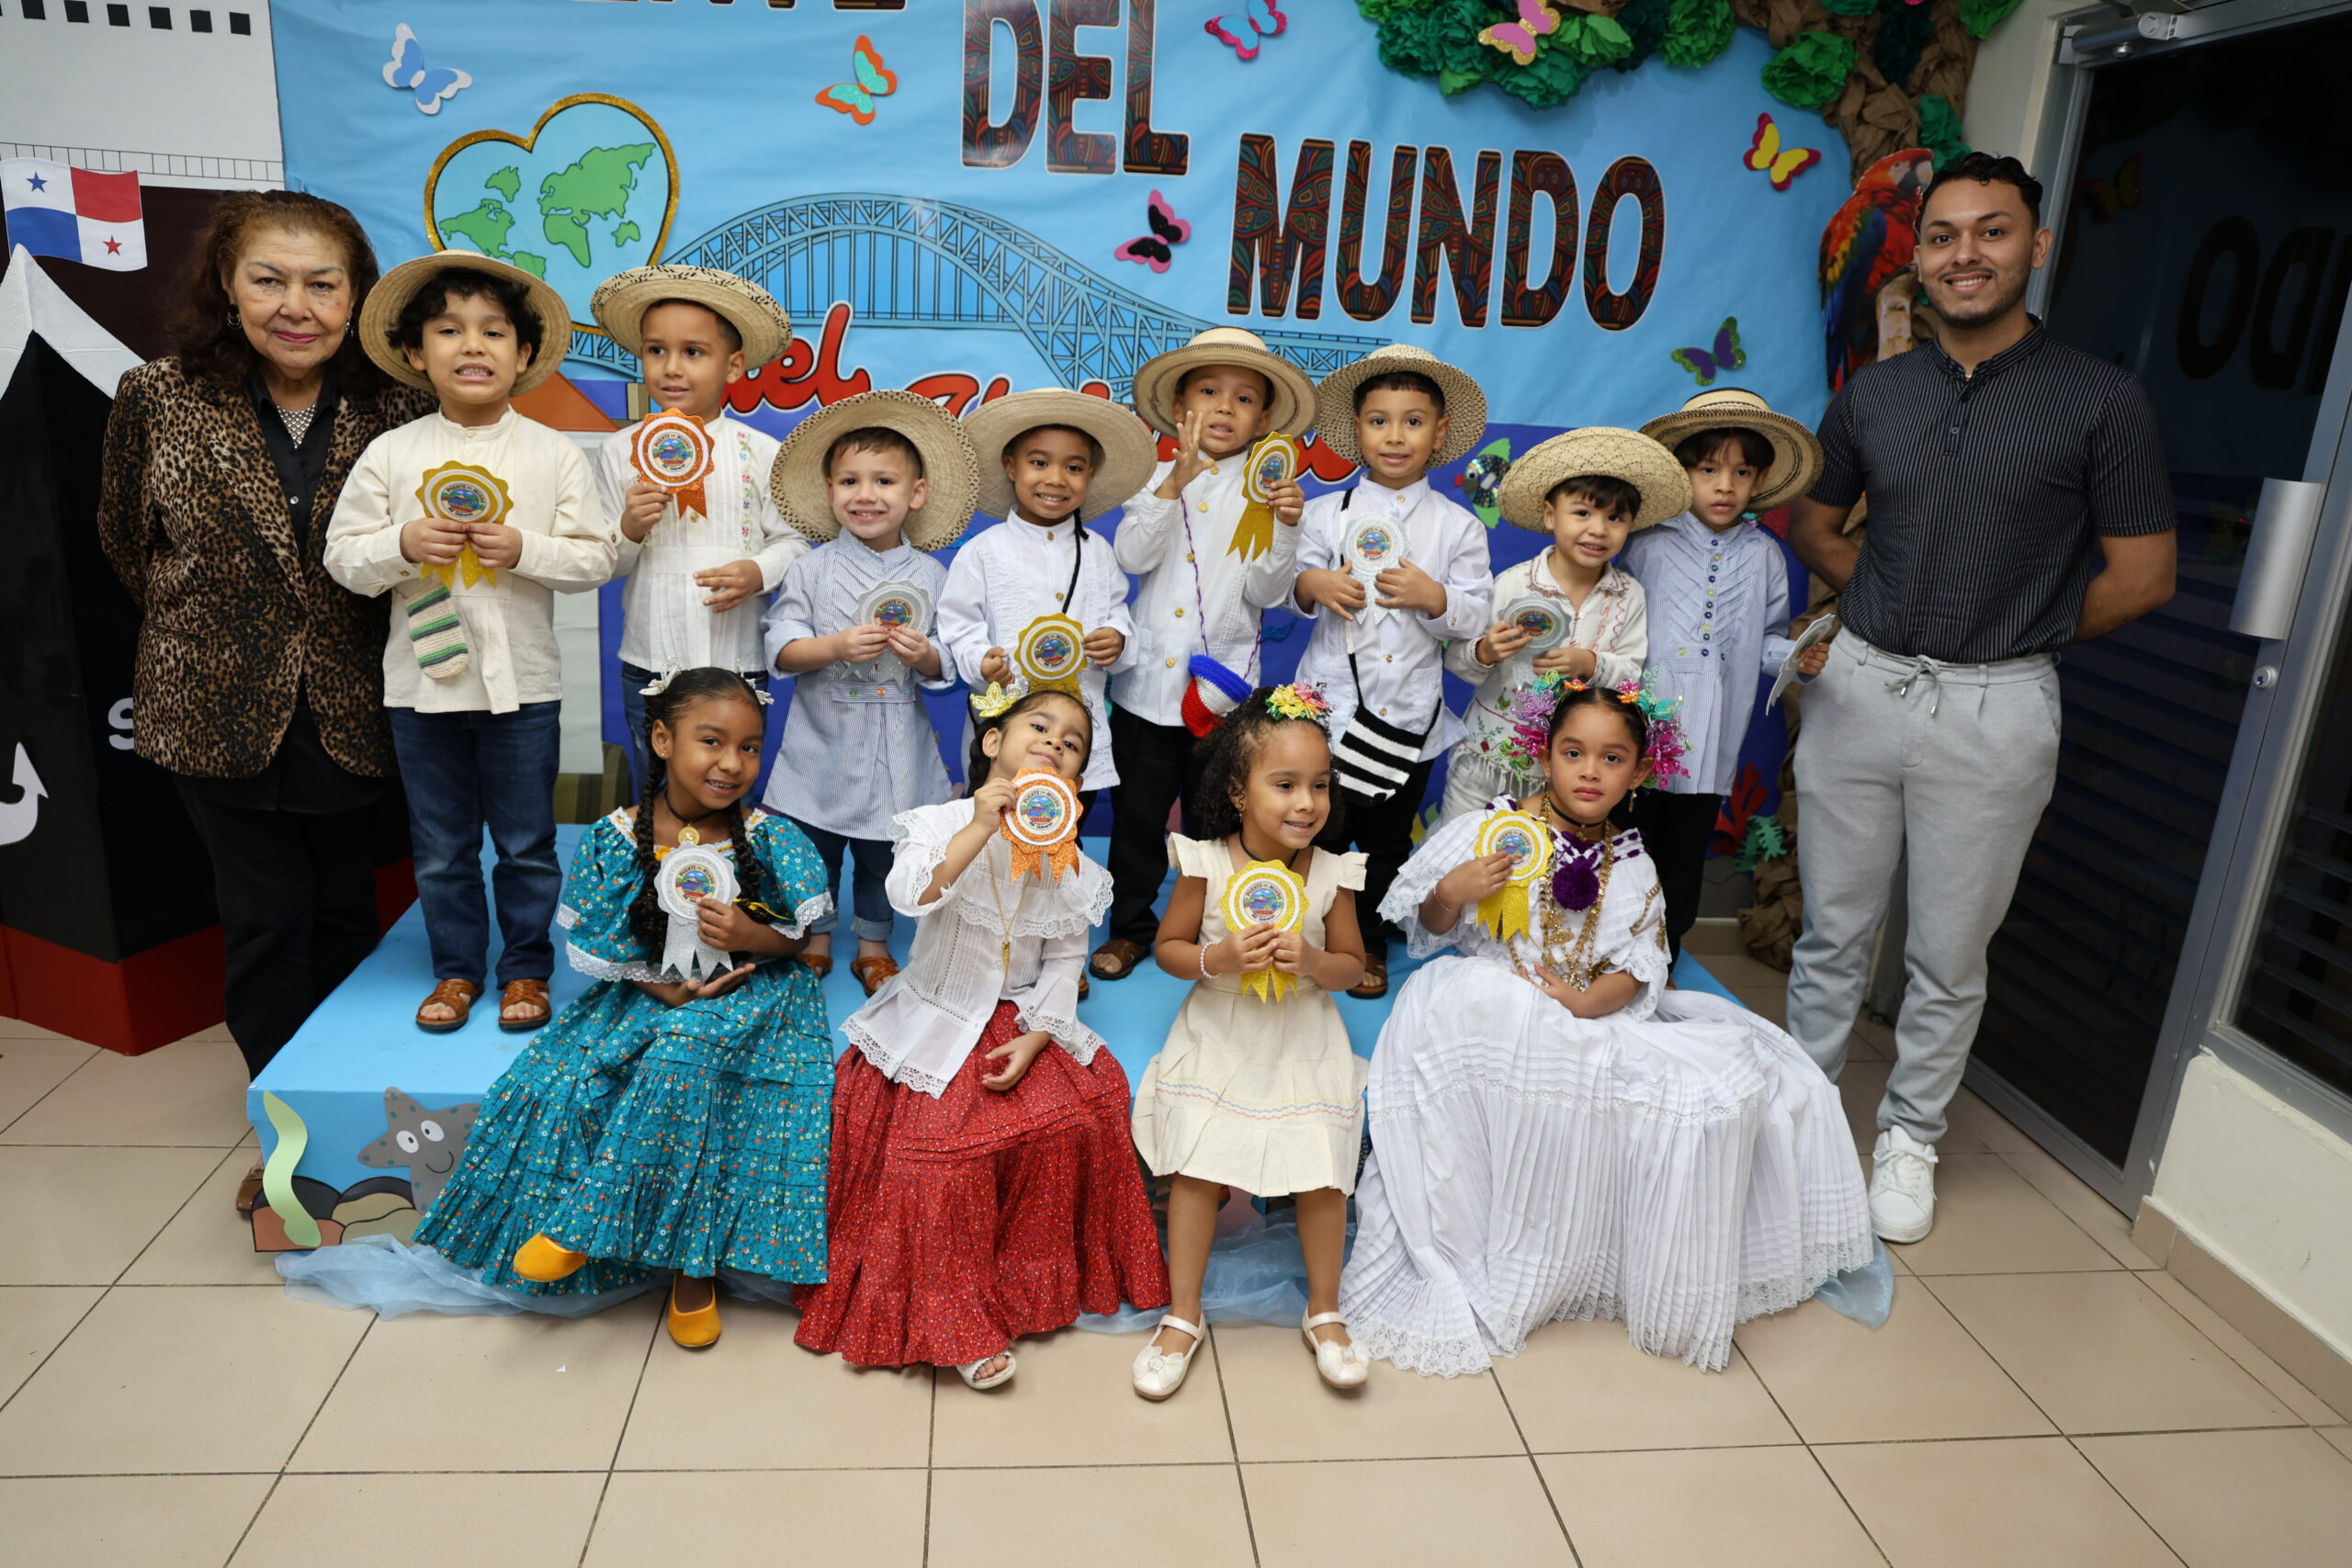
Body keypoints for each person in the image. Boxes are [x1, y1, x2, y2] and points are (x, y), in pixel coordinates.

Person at [1784, 152, 2176, 1243]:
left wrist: (2016, 628)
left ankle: (1908, 1139)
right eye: (1944, 235)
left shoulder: (2100, 399)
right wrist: (1886, 602)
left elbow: (2143, 576)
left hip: (1997, 709)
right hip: (1860, 690)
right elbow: (1814, 524)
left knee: (1948, 956)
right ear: (1918, 255)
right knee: (1830, 934)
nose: (1966, 255)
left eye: (1991, 232)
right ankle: (1796, 1124)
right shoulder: (1876, 393)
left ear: (2035, 247)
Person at [1340, 678, 1873, 1374]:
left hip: (1582, 1008)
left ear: (1639, 773)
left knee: (1711, 1087)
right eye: (1573, 753)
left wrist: (1587, 1003)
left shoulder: (1633, 860)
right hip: (1489, 994)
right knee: (1500, 1017)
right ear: (1545, 756)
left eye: (1611, 758)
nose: (1590, 771)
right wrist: (1450, 890)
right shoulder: (1493, 829)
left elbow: (1639, 964)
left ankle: (1577, 1252)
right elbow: (1431, 928)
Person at [97, 189, 432, 1215]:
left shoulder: (400, 403)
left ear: (356, 296)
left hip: (354, 703)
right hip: (212, 704)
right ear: (227, 285)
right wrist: (221, 631)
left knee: (346, 916)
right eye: (270, 280)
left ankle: (351, 1109)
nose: (298, 306)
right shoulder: (156, 395)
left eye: (323, 284)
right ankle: (292, 1142)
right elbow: (126, 542)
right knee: (264, 922)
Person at [414, 669, 835, 1350]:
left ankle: (649, 1256)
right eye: (712, 741)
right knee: (559, 1084)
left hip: (756, 993)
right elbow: (609, 947)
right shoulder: (615, 838)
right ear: (662, 739)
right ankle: (667, 1255)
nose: (732, 763)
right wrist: (669, 991)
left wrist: (751, 935)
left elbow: (798, 937)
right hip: (648, 987)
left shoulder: (771, 839)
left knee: (684, 1056)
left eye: (750, 746)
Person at [793, 690, 1170, 1390]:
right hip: (935, 1015)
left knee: (1076, 1120)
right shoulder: (937, 821)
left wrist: (1038, 1036)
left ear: (1078, 778)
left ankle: (1022, 1291)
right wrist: (978, 823)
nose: (1055, 742)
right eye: (1040, 726)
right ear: (993, 741)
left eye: (1073, 742)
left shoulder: (1068, 855)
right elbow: (911, 896)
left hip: (1020, 1018)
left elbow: (1065, 959)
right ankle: (955, 1319)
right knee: (941, 1157)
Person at [323, 252, 616, 1033]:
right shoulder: (391, 453)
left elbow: (595, 559)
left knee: (526, 843)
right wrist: (401, 542)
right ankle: (455, 969)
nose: (473, 345)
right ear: (416, 353)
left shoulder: (554, 453)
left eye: (493, 331)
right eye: (450, 330)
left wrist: (525, 548)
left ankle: (525, 969)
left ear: (524, 354)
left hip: (526, 687)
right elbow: (343, 558)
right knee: (441, 847)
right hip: (420, 688)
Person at [1129, 685, 1373, 1400]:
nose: (1307, 802)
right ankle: (1183, 1313)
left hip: (1301, 1030)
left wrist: (1316, 962)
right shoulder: (1205, 863)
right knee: (1196, 1164)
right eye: (1285, 784)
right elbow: (1170, 948)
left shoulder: (1332, 871)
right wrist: (1219, 957)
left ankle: (1324, 1310)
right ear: (1238, 791)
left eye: (1319, 785)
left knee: (1322, 1167)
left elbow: (1353, 965)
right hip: (1222, 1024)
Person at [1091, 327, 1317, 986]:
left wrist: (1287, 526)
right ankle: (1131, 928)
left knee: (1213, 820)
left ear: (1264, 419)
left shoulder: (1270, 488)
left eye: (1244, 398)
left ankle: (1211, 930)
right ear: (1179, 409)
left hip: (1221, 694)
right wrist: (1173, 485)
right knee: (1137, 817)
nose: (1225, 407)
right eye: (1209, 392)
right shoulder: (1154, 478)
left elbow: (1268, 592)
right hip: (1146, 689)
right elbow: (1132, 556)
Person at [1290, 344, 1494, 999]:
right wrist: (1316, 584)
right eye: (1379, 421)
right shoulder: (1326, 513)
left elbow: (1475, 612)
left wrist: (1435, 598)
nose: (1395, 436)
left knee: (1383, 839)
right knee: (1317, 828)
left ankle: (1370, 943)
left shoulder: (1458, 527)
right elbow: (1291, 585)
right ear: (1357, 429)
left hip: (1407, 718)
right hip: (1328, 709)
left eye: (1413, 421)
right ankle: (1304, 935)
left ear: (1439, 432)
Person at [763, 389, 978, 997]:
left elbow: (949, 660)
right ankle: (816, 936)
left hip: (895, 742)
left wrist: (923, 654)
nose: (866, 494)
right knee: (817, 848)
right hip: (823, 739)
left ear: (916, 493)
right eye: (850, 481)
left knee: (884, 851)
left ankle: (874, 944)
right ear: (829, 490)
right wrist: (832, 646)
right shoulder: (810, 568)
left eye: (884, 481)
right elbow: (781, 644)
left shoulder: (932, 574)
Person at [1621, 389, 1827, 959]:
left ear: (1760, 481)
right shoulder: (1647, 543)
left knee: (1683, 857)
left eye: (1741, 472)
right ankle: (1604, 955)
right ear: (1682, 473)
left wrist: (1796, 659)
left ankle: (1663, 958)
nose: (1725, 486)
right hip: (1638, 732)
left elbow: (1765, 639)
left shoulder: (1765, 556)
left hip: (1712, 739)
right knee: (1623, 846)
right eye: (1708, 469)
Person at [588, 265, 805, 788]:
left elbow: (795, 543)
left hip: (738, 661)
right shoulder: (619, 452)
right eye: (656, 350)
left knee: (727, 787)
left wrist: (757, 572)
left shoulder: (761, 453)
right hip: (650, 659)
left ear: (733, 366)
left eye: (693, 352)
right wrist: (629, 528)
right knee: (657, 789)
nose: (672, 368)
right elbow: (600, 560)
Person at [1441, 426, 1677, 822]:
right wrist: (1485, 651)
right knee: (1460, 845)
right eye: (1582, 513)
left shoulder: (1629, 595)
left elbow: (1632, 675)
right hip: (1488, 762)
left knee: (1546, 854)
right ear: (1551, 515)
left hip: (1571, 776)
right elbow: (1458, 662)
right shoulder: (1513, 584)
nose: (1598, 529)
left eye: (1615, 517)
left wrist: (1590, 664)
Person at [937, 388, 1157, 802]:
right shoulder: (983, 552)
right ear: (1011, 466)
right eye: (1039, 462)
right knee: (994, 826)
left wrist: (1117, 639)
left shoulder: (1099, 552)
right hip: (1005, 736)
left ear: (1090, 474)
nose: (1056, 479)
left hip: (1073, 743)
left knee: (1067, 827)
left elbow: (1117, 612)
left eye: (1073, 467)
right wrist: (980, 661)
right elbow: (958, 626)